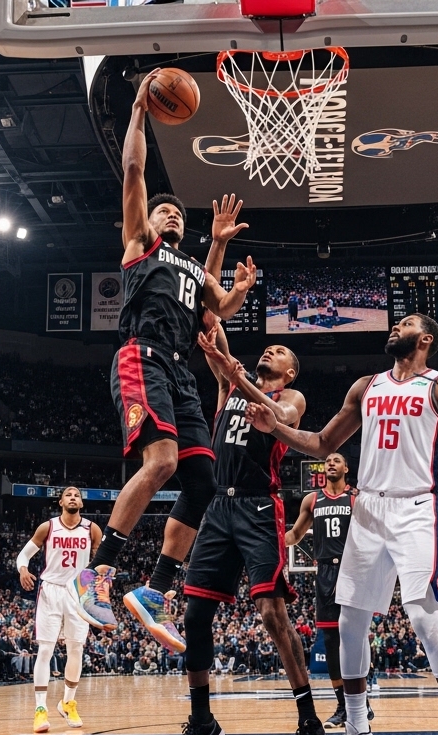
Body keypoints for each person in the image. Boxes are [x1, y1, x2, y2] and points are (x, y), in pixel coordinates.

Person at [246, 313, 438, 735]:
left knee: (421, 617)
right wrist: (275, 428)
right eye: (395, 323)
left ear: (426, 338)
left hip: (417, 507)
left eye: (405, 323)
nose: (395, 327)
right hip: (369, 509)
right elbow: (320, 444)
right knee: (350, 624)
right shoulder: (366, 386)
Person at [70, 67, 257, 653]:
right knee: (162, 463)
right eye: (163, 212)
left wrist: (223, 249)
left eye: (178, 214)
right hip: (141, 357)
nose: (171, 215)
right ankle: (97, 570)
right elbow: (133, 172)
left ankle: (155, 588)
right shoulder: (139, 247)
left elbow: (217, 306)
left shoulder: (194, 268)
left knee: (204, 479)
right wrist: (139, 112)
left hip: (180, 368)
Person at [164, 325, 321, 735]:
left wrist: (240, 377)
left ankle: (309, 723)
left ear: (288, 372)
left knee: (273, 614)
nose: (269, 350)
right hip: (218, 506)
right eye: (267, 347)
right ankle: (202, 721)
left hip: (258, 507)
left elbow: (279, 417)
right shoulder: (228, 385)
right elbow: (216, 334)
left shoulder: (292, 398)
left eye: (279, 351)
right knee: (195, 615)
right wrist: (217, 258)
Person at [286, 453, 371, 730]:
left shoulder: (356, 498)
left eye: (337, 460)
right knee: (332, 640)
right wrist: (269, 538)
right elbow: (295, 535)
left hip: (352, 570)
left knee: (355, 637)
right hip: (324, 573)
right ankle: (343, 705)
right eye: (328, 461)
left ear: (346, 467)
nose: (331, 463)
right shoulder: (311, 500)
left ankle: (361, 700)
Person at [16, 487, 100, 733]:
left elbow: (103, 561)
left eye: (77, 495)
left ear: (81, 503)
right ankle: (40, 710)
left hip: (78, 591)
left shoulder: (92, 529)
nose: (73, 496)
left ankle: (68, 702)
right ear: (61, 501)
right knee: (45, 649)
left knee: (76, 648)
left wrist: (99, 591)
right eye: (69, 494)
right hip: (51, 590)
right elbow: (24, 555)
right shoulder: (47, 527)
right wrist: (23, 569)